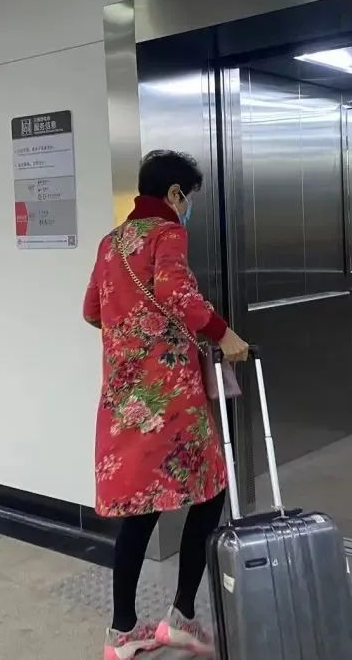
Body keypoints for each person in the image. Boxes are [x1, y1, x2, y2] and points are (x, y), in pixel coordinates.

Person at [84, 150, 249, 660]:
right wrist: (224, 334)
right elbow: (175, 291)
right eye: (189, 196)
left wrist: (133, 332)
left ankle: (122, 631)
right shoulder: (167, 233)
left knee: (142, 508)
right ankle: (182, 616)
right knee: (210, 490)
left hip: (124, 399)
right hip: (171, 398)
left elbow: (91, 311)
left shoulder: (110, 242)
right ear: (175, 193)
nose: (188, 206)